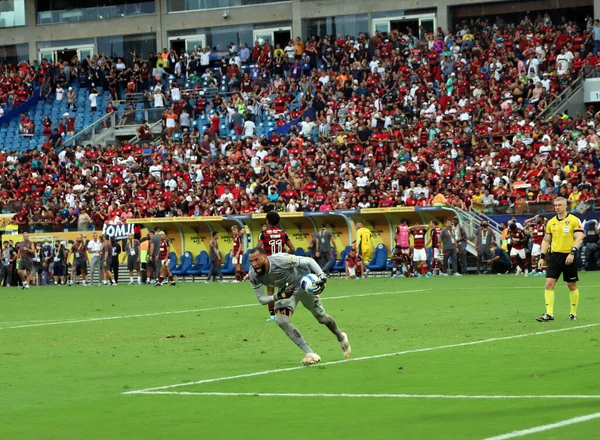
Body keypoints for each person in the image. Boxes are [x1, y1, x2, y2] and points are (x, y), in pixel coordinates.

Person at [248, 247, 350, 366]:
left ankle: (340, 335)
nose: (254, 264)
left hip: (303, 286)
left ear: (265, 257)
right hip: (287, 291)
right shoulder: (253, 274)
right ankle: (310, 353)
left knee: (322, 318)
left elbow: (309, 261)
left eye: (256, 260)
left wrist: (321, 275)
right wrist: (277, 296)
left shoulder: (281, 260)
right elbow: (261, 299)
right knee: (281, 321)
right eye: (251, 261)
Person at [536, 197, 585, 322]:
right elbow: (546, 240)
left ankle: (573, 314)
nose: (557, 207)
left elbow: (579, 237)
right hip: (554, 256)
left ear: (565, 206)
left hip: (569, 255)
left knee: (571, 284)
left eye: (559, 205)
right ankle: (549, 314)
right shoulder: (551, 222)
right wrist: (542, 256)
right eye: (555, 205)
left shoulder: (573, 220)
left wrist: (572, 252)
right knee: (549, 283)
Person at [258, 211, 296, 321]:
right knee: (283, 289)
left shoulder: (263, 234)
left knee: (270, 290)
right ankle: (284, 312)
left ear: (268, 221)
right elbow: (293, 249)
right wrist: (284, 256)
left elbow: (258, 248)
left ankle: (272, 315)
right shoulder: (283, 233)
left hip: (270, 265)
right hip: (282, 264)